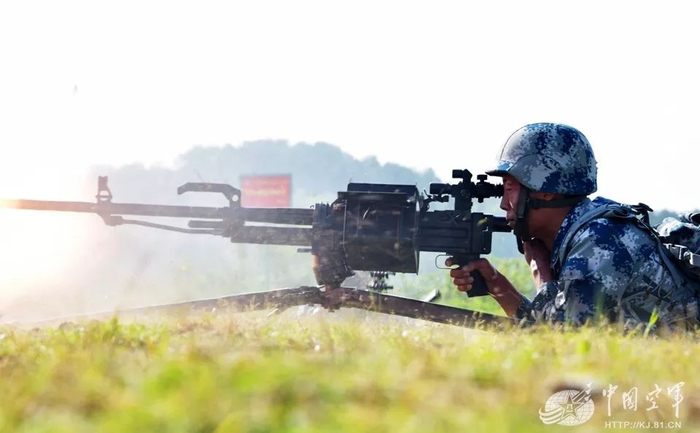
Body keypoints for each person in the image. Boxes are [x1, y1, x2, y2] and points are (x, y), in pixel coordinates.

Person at [448, 123, 698, 330]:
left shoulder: (600, 240)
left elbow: (561, 338)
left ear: (545, 189)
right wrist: (497, 285)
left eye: (510, 188)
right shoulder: (583, 234)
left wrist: (541, 272)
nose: (504, 204)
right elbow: (542, 329)